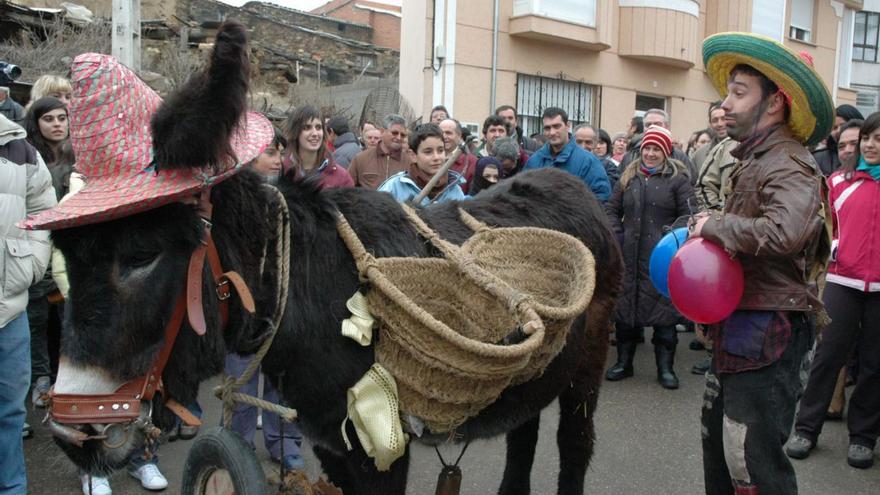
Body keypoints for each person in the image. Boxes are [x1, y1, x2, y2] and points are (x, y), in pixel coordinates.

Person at [693, 33, 833, 494]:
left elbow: (783, 233)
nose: (725, 104)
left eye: (739, 92)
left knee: (752, 465)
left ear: (775, 104)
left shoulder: (789, 162)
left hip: (768, 332)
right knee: (724, 451)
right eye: (728, 91)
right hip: (742, 327)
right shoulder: (757, 158)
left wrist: (713, 226)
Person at [785, 114, 879, 470]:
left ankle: (863, 437)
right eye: (866, 138)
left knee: (874, 366)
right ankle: (806, 428)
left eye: (877, 138)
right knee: (827, 358)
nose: (869, 145)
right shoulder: (839, 181)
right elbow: (822, 226)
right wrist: (835, 248)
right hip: (843, 282)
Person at [604, 126, 693, 389]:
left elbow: (689, 216)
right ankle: (624, 362)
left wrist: (671, 240)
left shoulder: (678, 180)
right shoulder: (628, 177)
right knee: (626, 313)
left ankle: (665, 368)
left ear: (666, 152)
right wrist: (618, 234)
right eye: (647, 148)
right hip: (629, 256)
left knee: (664, 315)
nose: (651, 154)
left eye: (656, 149)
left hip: (661, 259)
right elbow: (611, 209)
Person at [0, 112, 56, 494]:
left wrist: (30, 263)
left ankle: (12, 488)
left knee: (10, 412)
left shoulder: (19, 149)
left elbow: (43, 211)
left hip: (9, 308)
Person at [22, 97, 70, 410]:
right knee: (37, 318)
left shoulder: (78, 160)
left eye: (62, 118)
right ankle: (41, 377)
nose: (56, 124)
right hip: (36, 246)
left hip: (69, 250)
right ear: (37, 122)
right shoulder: (28, 158)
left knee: (70, 319)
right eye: (49, 119)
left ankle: (66, 379)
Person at [523, 107, 611, 202]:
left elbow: (601, 197)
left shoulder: (588, 161)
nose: (552, 132)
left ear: (568, 126)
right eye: (547, 128)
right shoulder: (534, 161)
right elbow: (523, 194)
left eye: (557, 126)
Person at [378, 123, 465, 205]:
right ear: (413, 156)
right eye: (428, 152)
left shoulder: (455, 191)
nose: (436, 157)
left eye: (440, 150)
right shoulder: (394, 188)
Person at [620, 109, 698, 184]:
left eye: (657, 124)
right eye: (648, 125)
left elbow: (690, 184)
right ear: (643, 128)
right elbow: (620, 183)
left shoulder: (679, 156)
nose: (652, 127)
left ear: (666, 127)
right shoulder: (630, 155)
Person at [283, 106, 353, 189]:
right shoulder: (281, 173)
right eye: (307, 127)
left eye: (318, 127)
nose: (315, 133)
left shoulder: (341, 177)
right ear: (295, 132)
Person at [348, 114, 412, 189]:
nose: (399, 137)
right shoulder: (361, 159)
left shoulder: (410, 162)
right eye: (394, 133)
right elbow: (347, 189)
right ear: (382, 132)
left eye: (403, 135)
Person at [812, 104, 865, 176]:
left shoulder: (871, 155)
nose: (839, 130)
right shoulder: (818, 158)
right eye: (834, 127)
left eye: (843, 125)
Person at [573, 123, 620, 191]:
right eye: (579, 142)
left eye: (588, 142)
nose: (583, 147)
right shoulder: (563, 162)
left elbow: (606, 192)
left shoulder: (608, 167)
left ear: (595, 143)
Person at [438, 118, 476, 193]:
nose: (444, 136)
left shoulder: (472, 162)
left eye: (448, 133)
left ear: (459, 136)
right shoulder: (431, 160)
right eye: (441, 133)